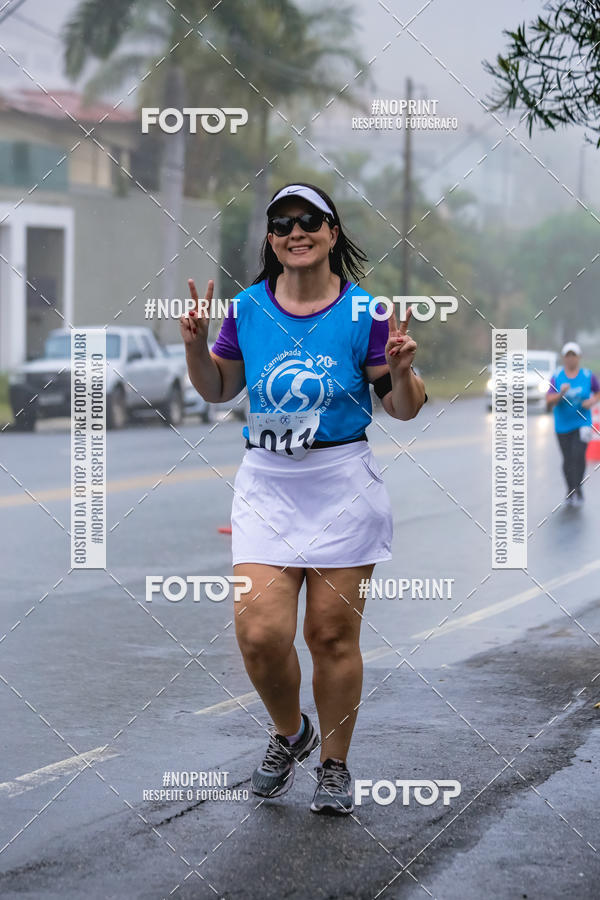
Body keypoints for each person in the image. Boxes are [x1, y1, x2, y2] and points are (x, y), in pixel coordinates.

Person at [180, 182, 427, 815]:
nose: (297, 231)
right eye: (283, 222)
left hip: (342, 482)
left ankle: (335, 765)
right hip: (268, 483)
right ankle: (291, 734)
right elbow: (216, 389)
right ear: (270, 239)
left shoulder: (364, 313)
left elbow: (401, 409)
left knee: (330, 633)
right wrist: (193, 347)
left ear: (332, 232)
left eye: (310, 220)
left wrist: (400, 371)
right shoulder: (245, 309)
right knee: (259, 632)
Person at [546, 341, 600, 507]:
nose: (570, 359)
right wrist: (560, 393)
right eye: (567, 356)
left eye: (573, 355)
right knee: (568, 459)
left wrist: (591, 401)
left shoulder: (587, 375)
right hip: (562, 424)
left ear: (579, 357)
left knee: (578, 456)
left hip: (582, 422)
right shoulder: (557, 376)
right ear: (564, 358)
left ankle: (578, 487)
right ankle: (571, 489)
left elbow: (598, 392)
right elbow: (548, 402)